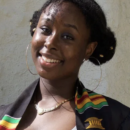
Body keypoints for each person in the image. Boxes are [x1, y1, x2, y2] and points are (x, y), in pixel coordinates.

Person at [0, 0, 130, 130]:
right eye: (45, 29)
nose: (50, 43)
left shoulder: (117, 120)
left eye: (67, 36)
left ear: (88, 49)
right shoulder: (2, 117)